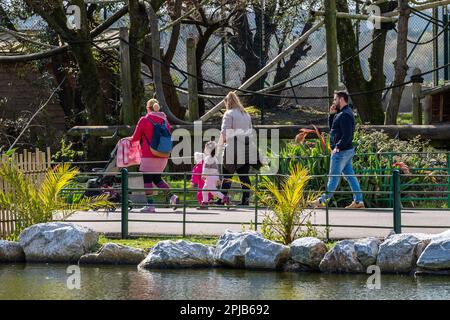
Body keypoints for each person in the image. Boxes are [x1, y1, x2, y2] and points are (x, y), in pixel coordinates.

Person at [310, 91, 364, 209]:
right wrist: (331, 115)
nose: (334, 102)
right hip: (345, 151)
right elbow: (333, 129)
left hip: (341, 152)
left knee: (333, 177)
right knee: (350, 176)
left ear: (341, 99)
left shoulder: (345, 114)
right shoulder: (342, 113)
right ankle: (358, 201)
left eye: (335, 99)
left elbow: (347, 134)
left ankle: (322, 201)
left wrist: (337, 147)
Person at [129, 99, 178, 213]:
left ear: (148, 108)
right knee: (157, 179)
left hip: (148, 155)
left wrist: (126, 139)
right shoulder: (165, 121)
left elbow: (135, 138)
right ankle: (172, 197)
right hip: (163, 155)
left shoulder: (145, 120)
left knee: (147, 180)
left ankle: (150, 205)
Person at [218, 91, 262, 206]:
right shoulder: (245, 114)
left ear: (227, 102)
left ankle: (222, 199)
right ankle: (246, 200)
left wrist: (219, 147)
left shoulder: (228, 113)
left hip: (233, 147)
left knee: (227, 174)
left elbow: (225, 132)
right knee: (244, 175)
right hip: (246, 147)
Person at [200, 141, 230, 207]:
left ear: (208, 149)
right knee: (204, 190)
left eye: (206, 148)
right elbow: (216, 169)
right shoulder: (214, 158)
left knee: (213, 191)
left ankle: (224, 198)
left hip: (210, 177)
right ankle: (205, 202)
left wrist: (204, 175)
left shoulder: (208, 158)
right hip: (213, 176)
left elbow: (206, 168)